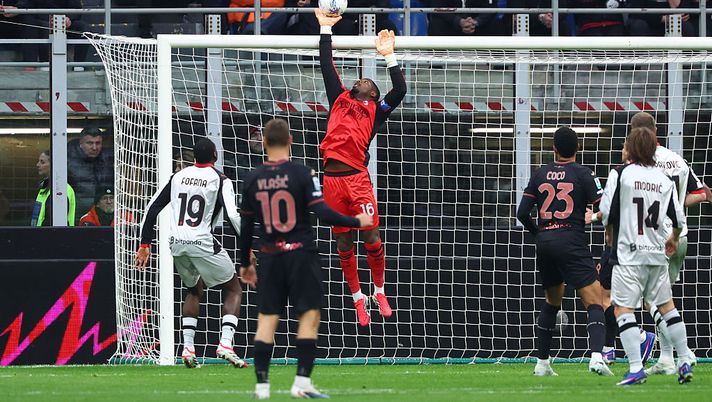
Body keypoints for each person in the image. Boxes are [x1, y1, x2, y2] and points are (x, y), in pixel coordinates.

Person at [239, 118, 372, 399]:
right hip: (300, 253)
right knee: (309, 316)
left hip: (270, 256)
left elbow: (246, 228)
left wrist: (245, 264)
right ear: (291, 141)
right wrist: (356, 221)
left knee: (266, 321)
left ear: (264, 144)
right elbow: (323, 213)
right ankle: (301, 382)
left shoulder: (251, 179)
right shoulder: (302, 173)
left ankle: (262, 387)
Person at [591, 112, 708, 373]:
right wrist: (674, 236)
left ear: (631, 139)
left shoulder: (623, 173)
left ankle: (639, 365)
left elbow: (609, 211)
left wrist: (607, 229)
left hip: (634, 246)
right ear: (655, 131)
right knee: (665, 303)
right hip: (669, 241)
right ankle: (674, 357)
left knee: (627, 306)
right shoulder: (674, 164)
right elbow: (694, 198)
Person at [316, 9, 407, 326]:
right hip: (332, 182)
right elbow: (327, 65)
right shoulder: (338, 99)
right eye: (361, 79)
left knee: (370, 235)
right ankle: (358, 299)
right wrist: (326, 29)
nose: (362, 79)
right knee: (343, 242)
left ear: (373, 94)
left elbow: (400, 91)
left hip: (357, 180)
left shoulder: (377, 111)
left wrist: (389, 56)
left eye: (368, 82)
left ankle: (379, 290)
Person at [135, 138, 253, 369]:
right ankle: (226, 344)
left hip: (176, 243)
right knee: (233, 288)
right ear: (215, 157)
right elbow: (233, 215)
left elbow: (153, 207)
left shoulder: (177, 176)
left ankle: (188, 348)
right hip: (201, 240)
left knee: (194, 290)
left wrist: (144, 244)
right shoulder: (220, 179)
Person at [516, 127, 612, 376]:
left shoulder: (539, 174)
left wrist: (540, 234)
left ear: (554, 148)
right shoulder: (584, 174)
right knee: (595, 301)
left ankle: (542, 363)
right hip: (572, 241)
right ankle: (596, 358)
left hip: (546, 243)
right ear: (577, 148)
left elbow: (522, 213)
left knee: (552, 302)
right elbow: (604, 208)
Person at [67, 127, 114, 224]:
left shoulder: (108, 160)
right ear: (81, 143)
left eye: (98, 143)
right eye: (90, 143)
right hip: (76, 217)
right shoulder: (67, 160)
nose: (94, 147)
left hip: (104, 217)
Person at [31, 150, 76, 226]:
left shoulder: (62, 190)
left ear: (53, 165)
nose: (37, 165)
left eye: (42, 162)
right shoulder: (45, 187)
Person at [424, 0, 509, 36]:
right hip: (451, 24)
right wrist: (458, 21)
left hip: (477, 26)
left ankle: (499, 65)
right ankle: (436, 65)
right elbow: (437, 7)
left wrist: (477, 21)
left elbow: (491, 8)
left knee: (497, 24)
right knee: (436, 24)